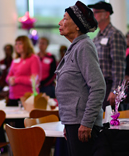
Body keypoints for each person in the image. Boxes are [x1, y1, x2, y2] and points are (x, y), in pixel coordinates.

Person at [56, 1, 106, 156]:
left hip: (82, 124)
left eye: (65, 19)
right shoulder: (75, 47)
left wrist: (86, 122)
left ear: (77, 25)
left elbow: (98, 86)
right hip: (74, 122)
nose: (60, 22)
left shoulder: (84, 46)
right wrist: (68, 122)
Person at [88, 1, 127, 111]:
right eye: (93, 12)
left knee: (109, 123)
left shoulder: (115, 35)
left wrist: (115, 91)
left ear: (106, 14)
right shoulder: (97, 37)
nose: (94, 15)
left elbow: (118, 66)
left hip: (109, 86)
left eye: (97, 12)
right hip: (98, 86)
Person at [6, 35, 41, 106]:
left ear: (26, 45)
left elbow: (35, 80)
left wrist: (16, 80)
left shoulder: (33, 58)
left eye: (20, 44)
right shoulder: (15, 60)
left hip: (27, 97)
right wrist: (10, 80)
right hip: (13, 96)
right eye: (16, 44)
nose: (17, 46)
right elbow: (8, 77)